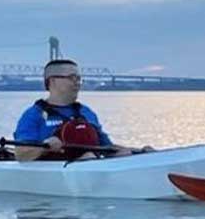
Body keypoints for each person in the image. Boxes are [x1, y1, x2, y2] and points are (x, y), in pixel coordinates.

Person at [13, 59, 149, 161]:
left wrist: (141, 152)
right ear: (52, 81)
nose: (77, 82)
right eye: (71, 77)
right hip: (57, 169)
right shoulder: (33, 115)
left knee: (124, 154)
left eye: (78, 78)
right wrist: (44, 147)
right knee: (88, 156)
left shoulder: (86, 113)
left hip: (90, 165)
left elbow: (107, 147)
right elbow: (20, 154)